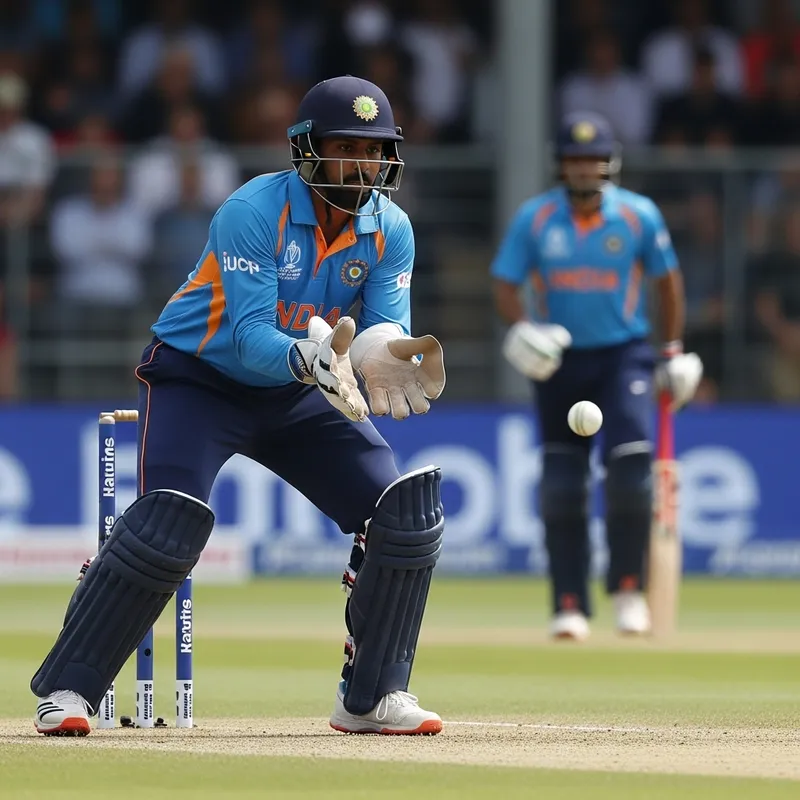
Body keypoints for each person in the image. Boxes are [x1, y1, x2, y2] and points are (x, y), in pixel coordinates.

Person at [31, 76, 447, 735]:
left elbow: (383, 325)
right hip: (201, 378)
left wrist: (383, 353)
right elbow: (251, 336)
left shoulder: (391, 227)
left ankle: (373, 697)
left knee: (405, 512)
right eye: (347, 148)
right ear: (306, 150)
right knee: (170, 524)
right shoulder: (254, 211)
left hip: (303, 389)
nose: (363, 166)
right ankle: (70, 692)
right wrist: (308, 359)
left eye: (375, 151)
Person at [490, 111, 702, 641]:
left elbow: (668, 283)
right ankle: (568, 603)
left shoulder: (638, 216)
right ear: (561, 166)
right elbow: (504, 282)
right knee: (562, 486)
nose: (585, 171)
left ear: (610, 164)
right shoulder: (536, 218)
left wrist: (671, 352)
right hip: (558, 360)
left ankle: (629, 591)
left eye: (594, 160)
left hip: (624, 355)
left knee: (631, 475)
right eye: (576, 161)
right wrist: (522, 329)